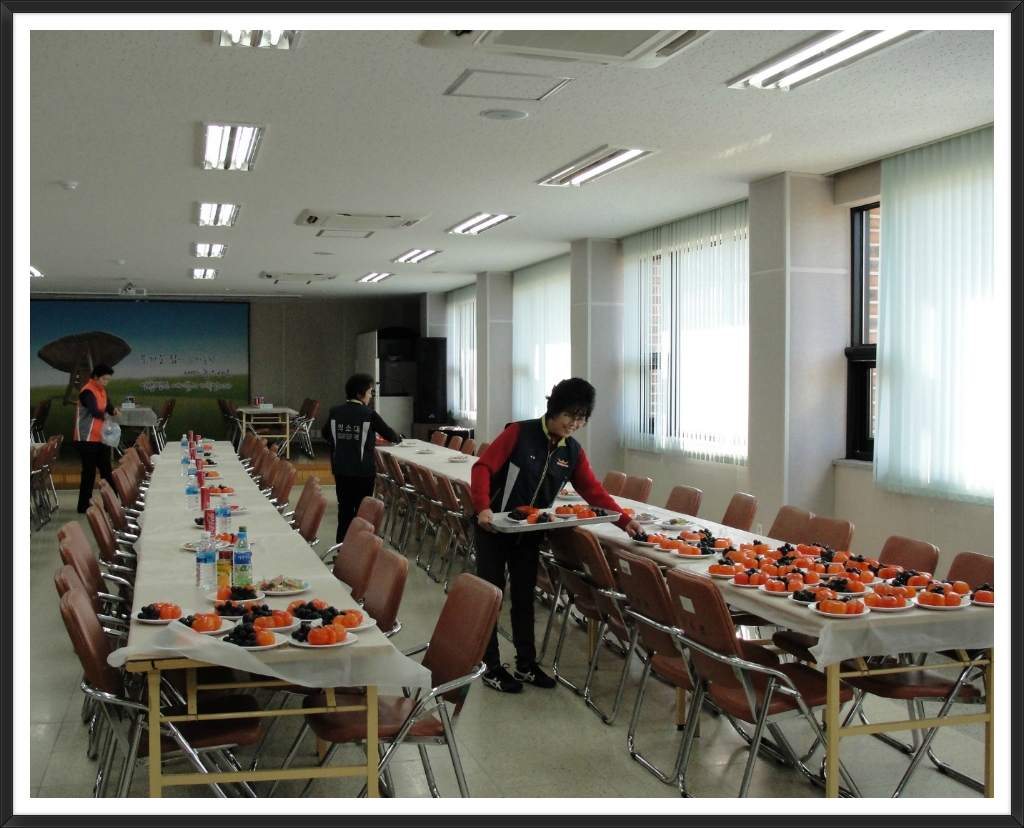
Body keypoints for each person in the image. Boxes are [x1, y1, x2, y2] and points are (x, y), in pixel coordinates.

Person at [471, 377, 642, 693]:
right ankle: (490, 666)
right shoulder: (519, 433)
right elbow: (482, 468)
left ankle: (525, 665)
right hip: (493, 528)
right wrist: (483, 507)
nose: (574, 424)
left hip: (529, 533)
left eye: (581, 418)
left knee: (524, 598)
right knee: (492, 596)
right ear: (554, 409)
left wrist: (625, 521)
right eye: (569, 415)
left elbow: (592, 490)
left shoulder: (572, 451)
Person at [321, 373, 402, 544]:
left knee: (344, 509)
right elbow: (390, 434)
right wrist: (399, 438)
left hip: (341, 470)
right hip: (363, 472)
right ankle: (357, 547)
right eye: (369, 392)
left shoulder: (335, 412)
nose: (370, 396)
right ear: (360, 393)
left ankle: (341, 546)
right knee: (361, 511)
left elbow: (325, 434)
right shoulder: (369, 414)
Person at [74, 363, 120, 513]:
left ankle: (112, 503)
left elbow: (107, 404)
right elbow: (94, 410)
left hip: (99, 438)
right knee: (89, 472)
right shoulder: (87, 391)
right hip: (86, 438)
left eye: (108, 380)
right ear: (95, 377)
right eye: (103, 379)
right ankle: (84, 506)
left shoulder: (101, 391)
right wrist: (103, 415)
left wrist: (113, 410)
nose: (105, 382)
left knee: (107, 469)